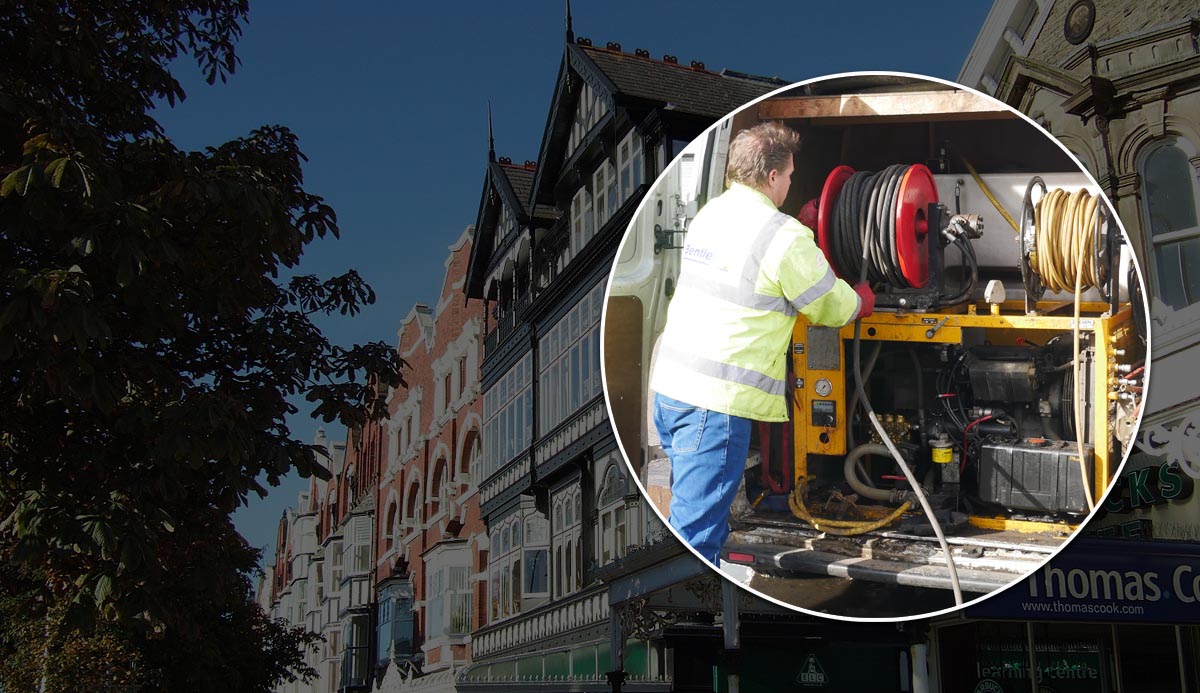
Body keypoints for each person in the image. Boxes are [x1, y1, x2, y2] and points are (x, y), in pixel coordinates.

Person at [649, 122, 875, 564]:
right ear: (772, 176)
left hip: (671, 391)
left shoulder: (709, 214)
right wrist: (862, 299)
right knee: (695, 539)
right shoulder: (783, 236)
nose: (791, 183)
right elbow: (831, 307)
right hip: (715, 406)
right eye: (789, 175)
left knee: (688, 514)